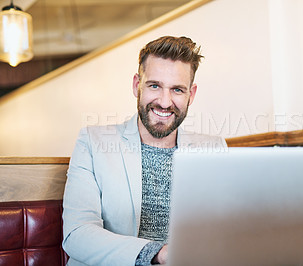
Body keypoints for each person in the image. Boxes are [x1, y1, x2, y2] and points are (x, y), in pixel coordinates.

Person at [62, 36, 227, 266]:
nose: (165, 101)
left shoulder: (214, 149)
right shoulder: (92, 142)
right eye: (154, 85)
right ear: (136, 85)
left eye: (177, 89)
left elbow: (227, 229)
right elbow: (77, 235)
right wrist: (157, 253)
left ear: (192, 94)